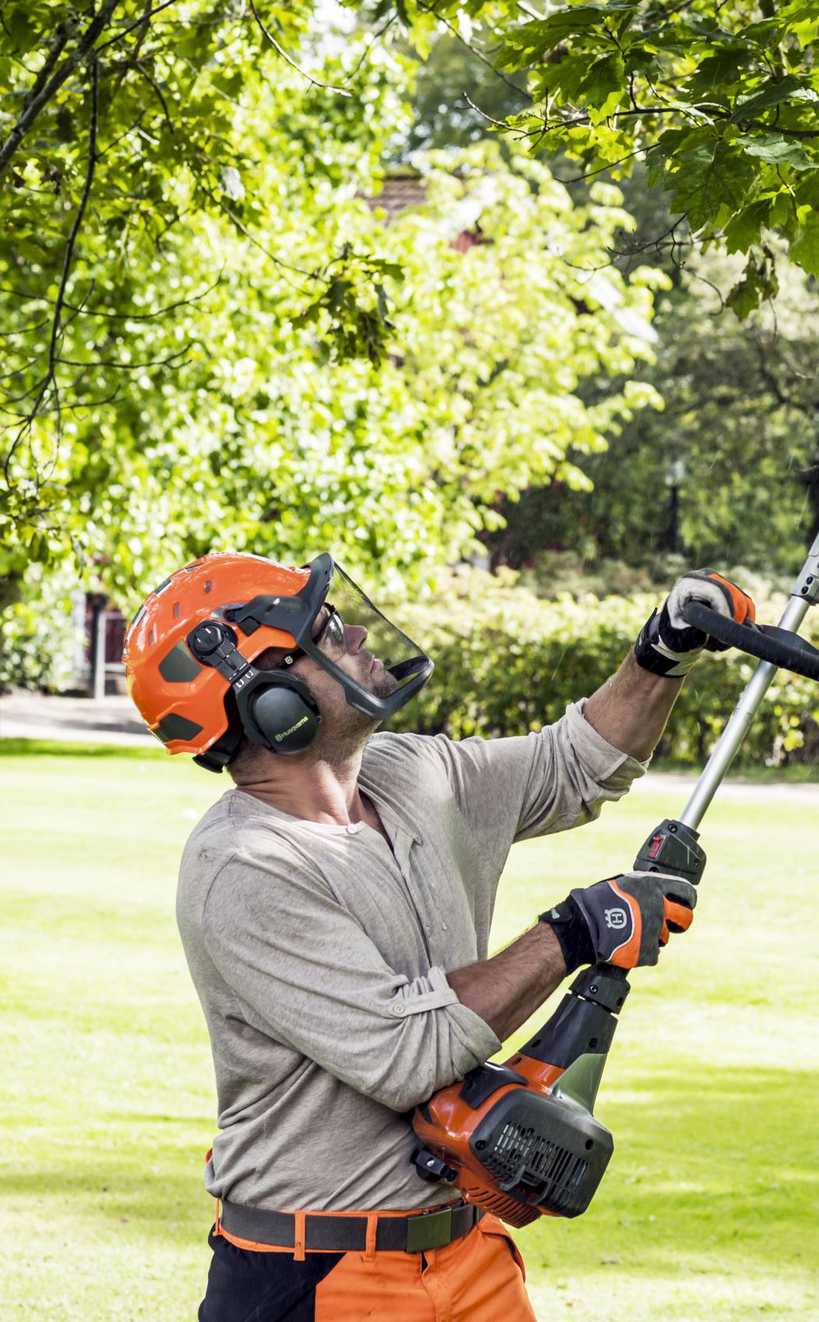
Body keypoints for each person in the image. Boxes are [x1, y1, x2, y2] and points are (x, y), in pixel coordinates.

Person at [123, 550, 750, 1322]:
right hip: (321, 1272)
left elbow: (576, 763)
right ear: (269, 703)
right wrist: (573, 932)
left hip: (467, 1249)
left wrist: (663, 648)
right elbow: (407, 1055)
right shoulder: (245, 869)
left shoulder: (408, 774)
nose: (353, 632)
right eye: (322, 630)